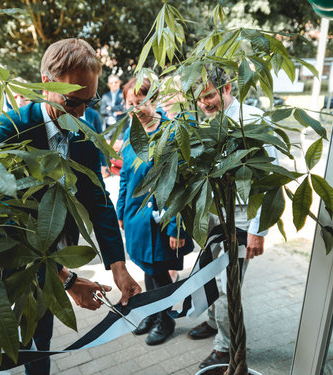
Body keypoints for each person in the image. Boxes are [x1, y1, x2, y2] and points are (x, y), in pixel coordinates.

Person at [0, 38, 141, 375]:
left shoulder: (84, 131)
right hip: (0, 273)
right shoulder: (6, 132)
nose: (83, 113)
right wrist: (67, 281)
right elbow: (3, 224)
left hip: (52, 262)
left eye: (91, 101)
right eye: (73, 102)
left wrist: (118, 265)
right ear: (45, 86)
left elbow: (98, 199)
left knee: (41, 348)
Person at [187, 66, 277, 369]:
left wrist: (258, 230)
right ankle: (214, 324)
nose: (205, 104)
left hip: (240, 221)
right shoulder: (211, 123)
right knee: (207, 275)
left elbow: (271, 180)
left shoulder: (252, 121)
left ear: (227, 89)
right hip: (216, 217)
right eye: (199, 100)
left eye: (209, 96)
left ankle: (225, 348)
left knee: (229, 287)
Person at [117, 77, 194, 346]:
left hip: (163, 220)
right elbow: (125, 177)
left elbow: (180, 183)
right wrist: (119, 211)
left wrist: (177, 226)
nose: (136, 109)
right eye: (130, 104)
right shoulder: (130, 133)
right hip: (136, 218)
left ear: (155, 100)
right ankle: (152, 313)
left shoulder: (171, 131)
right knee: (147, 268)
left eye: (141, 102)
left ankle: (166, 319)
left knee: (160, 273)